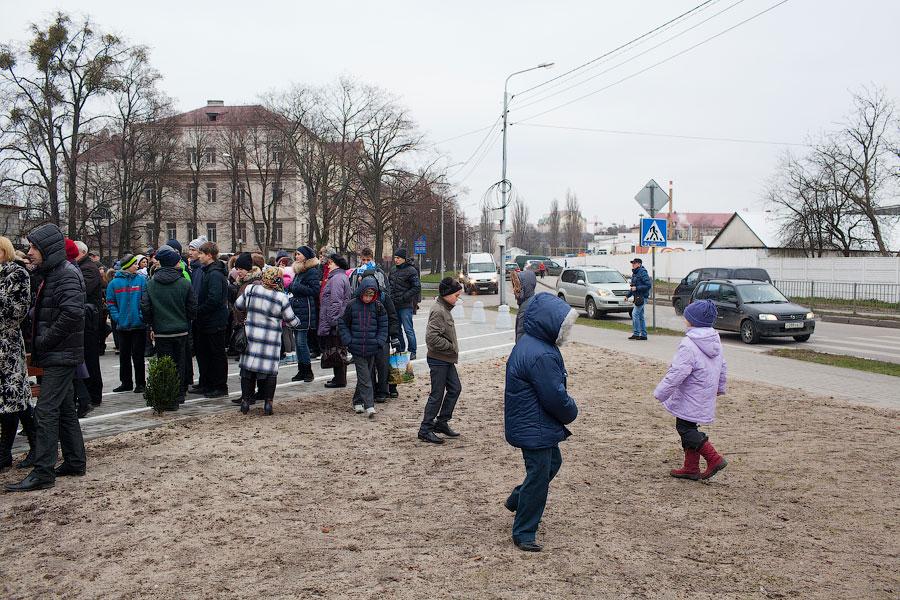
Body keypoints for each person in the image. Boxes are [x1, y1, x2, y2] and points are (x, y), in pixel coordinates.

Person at [6, 223, 87, 492]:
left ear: (47, 249)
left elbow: (72, 313)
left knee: (45, 411)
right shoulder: (54, 273)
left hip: (59, 353)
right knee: (63, 409)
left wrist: (43, 340)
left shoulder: (65, 274)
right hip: (57, 352)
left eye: (33, 248)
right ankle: (75, 461)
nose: (29, 252)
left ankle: (43, 471)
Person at [503, 293, 579, 552]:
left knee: (552, 463)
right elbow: (554, 396)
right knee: (538, 475)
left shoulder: (532, 343)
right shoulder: (541, 354)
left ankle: (518, 498)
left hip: (532, 422)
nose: (567, 330)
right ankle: (524, 531)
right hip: (533, 424)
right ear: (550, 323)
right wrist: (571, 411)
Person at [653, 299, 728, 481]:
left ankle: (713, 458)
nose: (684, 319)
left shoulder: (689, 344)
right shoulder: (714, 340)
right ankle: (691, 467)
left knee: (686, 429)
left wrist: (661, 392)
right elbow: (722, 366)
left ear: (693, 321)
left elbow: (678, 372)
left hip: (690, 395)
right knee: (689, 426)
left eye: (687, 317)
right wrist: (719, 387)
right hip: (704, 393)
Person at [235, 268, 301, 416]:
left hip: (251, 336)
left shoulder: (251, 289)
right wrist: (298, 322)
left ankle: (245, 402)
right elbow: (291, 320)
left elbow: (238, 305)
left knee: (247, 371)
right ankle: (268, 404)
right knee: (269, 372)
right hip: (269, 341)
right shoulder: (281, 297)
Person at [141, 245, 197, 408]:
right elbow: (192, 306)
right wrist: (187, 320)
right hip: (181, 329)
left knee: (165, 363)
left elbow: (145, 306)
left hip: (161, 330)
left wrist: (151, 324)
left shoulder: (151, 283)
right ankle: (179, 394)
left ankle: (168, 395)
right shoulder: (183, 283)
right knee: (180, 362)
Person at [0, 236, 33, 471]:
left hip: (8, 345)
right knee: (13, 402)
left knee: (13, 399)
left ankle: (5, 453)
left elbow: (18, 310)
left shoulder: (16, 273)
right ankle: (35, 444)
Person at [417, 277, 463, 444]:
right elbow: (431, 338)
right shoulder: (439, 310)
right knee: (437, 395)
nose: (458, 299)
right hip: (438, 359)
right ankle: (425, 429)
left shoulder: (445, 308)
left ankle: (441, 422)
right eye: (456, 295)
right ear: (447, 294)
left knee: (455, 388)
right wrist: (450, 346)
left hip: (446, 359)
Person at [350, 247, 400, 401]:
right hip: (365, 335)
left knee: (382, 364)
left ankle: (383, 391)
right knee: (368, 367)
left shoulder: (383, 297)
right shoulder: (356, 299)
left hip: (381, 335)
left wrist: (394, 336)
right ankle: (370, 390)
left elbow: (392, 316)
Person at [339, 276, 389, 418]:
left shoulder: (378, 306)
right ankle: (369, 405)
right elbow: (342, 323)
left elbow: (383, 325)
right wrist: (349, 340)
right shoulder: (352, 305)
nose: (368, 298)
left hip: (372, 347)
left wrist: (379, 341)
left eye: (371, 295)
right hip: (357, 347)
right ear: (361, 292)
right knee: (366, 377)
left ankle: (357, 401)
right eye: (366, 295)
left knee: (364, 375)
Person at [106, 253, 148, 393]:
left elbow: (145, 300)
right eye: (135, 264)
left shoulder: (141, 280)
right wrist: (118, 318)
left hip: (138, 325)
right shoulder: (114, 283)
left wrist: (141, 316)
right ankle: (126, 382)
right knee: (124, 356)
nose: (138, 265)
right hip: (122, 326)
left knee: (138, 355)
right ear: (127, 266)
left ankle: (141, 383)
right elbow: (111, 303)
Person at [193, 241, 230, 398]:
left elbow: (214, 299)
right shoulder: (208, 271)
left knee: (216, 354)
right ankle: (207, 383)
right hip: (207, 321)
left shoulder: (214, 274)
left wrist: (198, 311)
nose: (198, 256)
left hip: (214, 321)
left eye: (201, 253)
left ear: (209, 255)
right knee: (205, 353)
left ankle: (219, 386)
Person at [74, 241, 103, 408]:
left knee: (91, 359)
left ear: (82, 252)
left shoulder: (89, 268)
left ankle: (94, 395)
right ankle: (89, 394)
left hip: (90, 319)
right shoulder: (83, 267)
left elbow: (82, 290)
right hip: (87, 317)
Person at [318, 254, 351, 389]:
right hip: (338, 319)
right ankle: (338, 377)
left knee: (337, 350)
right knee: (337, 349)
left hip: (336, 320)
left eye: (330, 263)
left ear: (336, 264)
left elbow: (336, 302)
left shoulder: (336, 278)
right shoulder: (340, 277)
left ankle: (340, 379)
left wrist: (333, 320)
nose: (328, 265)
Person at [289, 246, 320, 383]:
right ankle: (301, 370)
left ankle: (308, 371)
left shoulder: (311, 271)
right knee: (297, 342)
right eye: (296, 254)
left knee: (301, 342)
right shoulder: (299, 270)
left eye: (299, 254)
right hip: (297, 307)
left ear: (306, 257)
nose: (296, 256)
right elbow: (294, 286)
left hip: (305, 309)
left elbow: (315, 290)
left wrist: (297, 287)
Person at [389, 248, 421, 360]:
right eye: (395, 258)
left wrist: (404, 297)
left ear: (403, 259)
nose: (396, 260)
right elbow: (390, 286)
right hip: (394, 304)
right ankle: (400, 349)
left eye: (398, 258)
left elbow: (416, 287)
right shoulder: (393, 270)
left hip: (406, 305)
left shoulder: (411, 270)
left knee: (408, 329)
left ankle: (413, 350)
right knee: (397, 329)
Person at [625, 257, 651, 341]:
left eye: (634, 263)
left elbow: (648, 285)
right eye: (632, 263)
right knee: (640, 316)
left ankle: (636, 333)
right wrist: (627, 295)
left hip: (642, 297)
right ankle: (643, 335)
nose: (633, 264)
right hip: (637, 297)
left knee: (634, 314)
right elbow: (633, 287)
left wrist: (637, 288)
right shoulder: (635, 273)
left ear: (639, 264)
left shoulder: (642, 272)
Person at [513, 270, 537, 342]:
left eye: (517, 286)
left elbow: (521, 338)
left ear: (524, 287)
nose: (514, 290)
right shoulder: (531, 303)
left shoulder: (526, 309)